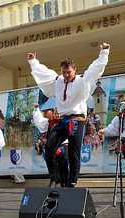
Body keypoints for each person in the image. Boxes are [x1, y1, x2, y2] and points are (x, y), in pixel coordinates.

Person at [27, 43, 110, 188]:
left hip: (77, 120)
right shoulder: (58, 81)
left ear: (74, 70)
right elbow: (44, 73)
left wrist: (103, 52)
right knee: (49, 146)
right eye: (64, 72)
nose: (66, 75)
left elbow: (95, 68)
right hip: (63, 120)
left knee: (73, 152)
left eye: (69, 72)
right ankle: (54, 177)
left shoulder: (82, 81)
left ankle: (72, 181)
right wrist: (33, 61)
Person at [33, 103, 69, 187]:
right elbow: (40, 122)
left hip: (65, 145)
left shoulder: (66, 121)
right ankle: (54, 179)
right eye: (56, 112)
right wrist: (36, 110)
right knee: (53, 162)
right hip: (54, 147)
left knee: (63, 164)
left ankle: (66, 185)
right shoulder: (50, 122)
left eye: (59, 112)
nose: (57, 114)